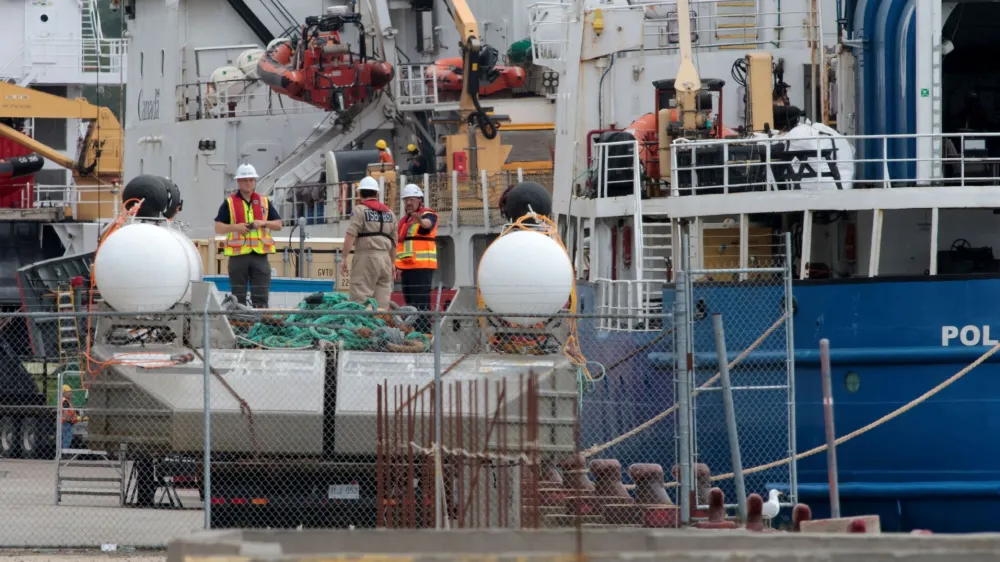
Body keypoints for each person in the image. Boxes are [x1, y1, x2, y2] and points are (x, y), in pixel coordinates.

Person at [214, 163, 283, 308]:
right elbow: (218, 227)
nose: (248, 183)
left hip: (260, 256)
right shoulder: (229, 203)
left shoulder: (264, 202)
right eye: (245, 180)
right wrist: (236, 228)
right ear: (238, 181)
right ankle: (241, 328)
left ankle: (259, 328)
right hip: (238, 257)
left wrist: (263, 223)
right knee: (238, 298)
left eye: (251, 180)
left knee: (261, 296)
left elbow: (278, 225)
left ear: (255, 181)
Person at [341, 176, 396, 309]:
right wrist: (393, 263)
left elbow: (351, 235)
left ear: (360, 194)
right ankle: (381, 327)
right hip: (386, 260)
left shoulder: (359, 210)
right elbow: (394, 242)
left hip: (366, 258)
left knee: (360, 298)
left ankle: (362, 328)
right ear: (377, 194)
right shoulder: (391, 214)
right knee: (382, 302)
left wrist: (344, 258)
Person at [395, 183, 438, 334]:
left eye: (411, 199)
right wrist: (397, 266)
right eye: (405, 200)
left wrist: (420, 221)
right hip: (407, 267)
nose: (408, 203)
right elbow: (401, 245)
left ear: (419, 200)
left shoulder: (427, 215)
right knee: (410, 302)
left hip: (422, 267)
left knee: (421, 301)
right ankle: (414, 331)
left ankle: (424, 332)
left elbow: (427, 225)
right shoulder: (404, 222)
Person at [60, 385, 78, 450]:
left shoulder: (65, 400)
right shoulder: (65, 401)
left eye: (70, 391)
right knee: (67, 437)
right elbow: (65, 412)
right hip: (66, 422)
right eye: (68, 391)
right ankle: (65, 452)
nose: (70, 393)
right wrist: (69, 419)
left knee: (64, 437)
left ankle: (62, 452)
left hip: (64, 422)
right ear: (63, 392)